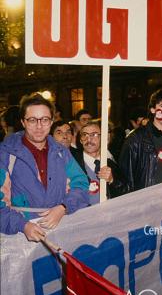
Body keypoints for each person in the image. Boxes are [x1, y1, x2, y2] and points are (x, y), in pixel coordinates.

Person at [0, 93, 90, 241]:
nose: (39, 126)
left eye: (45, 120)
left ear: (52, 121)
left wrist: (64, 207)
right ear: (23, 122)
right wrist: (22, 225)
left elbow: (81, 184)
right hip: (19, 236)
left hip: (59, 230)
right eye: (32, 120)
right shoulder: (6, 153)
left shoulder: (61, 152)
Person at [73, 120, 127, 204]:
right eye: (84, 135)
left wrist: (112, 181)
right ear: (80, 140)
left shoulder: (110, 164)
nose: (88, 139)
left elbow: (125, 193)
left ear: (104, 138)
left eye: (94, 135)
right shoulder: (72, 163)